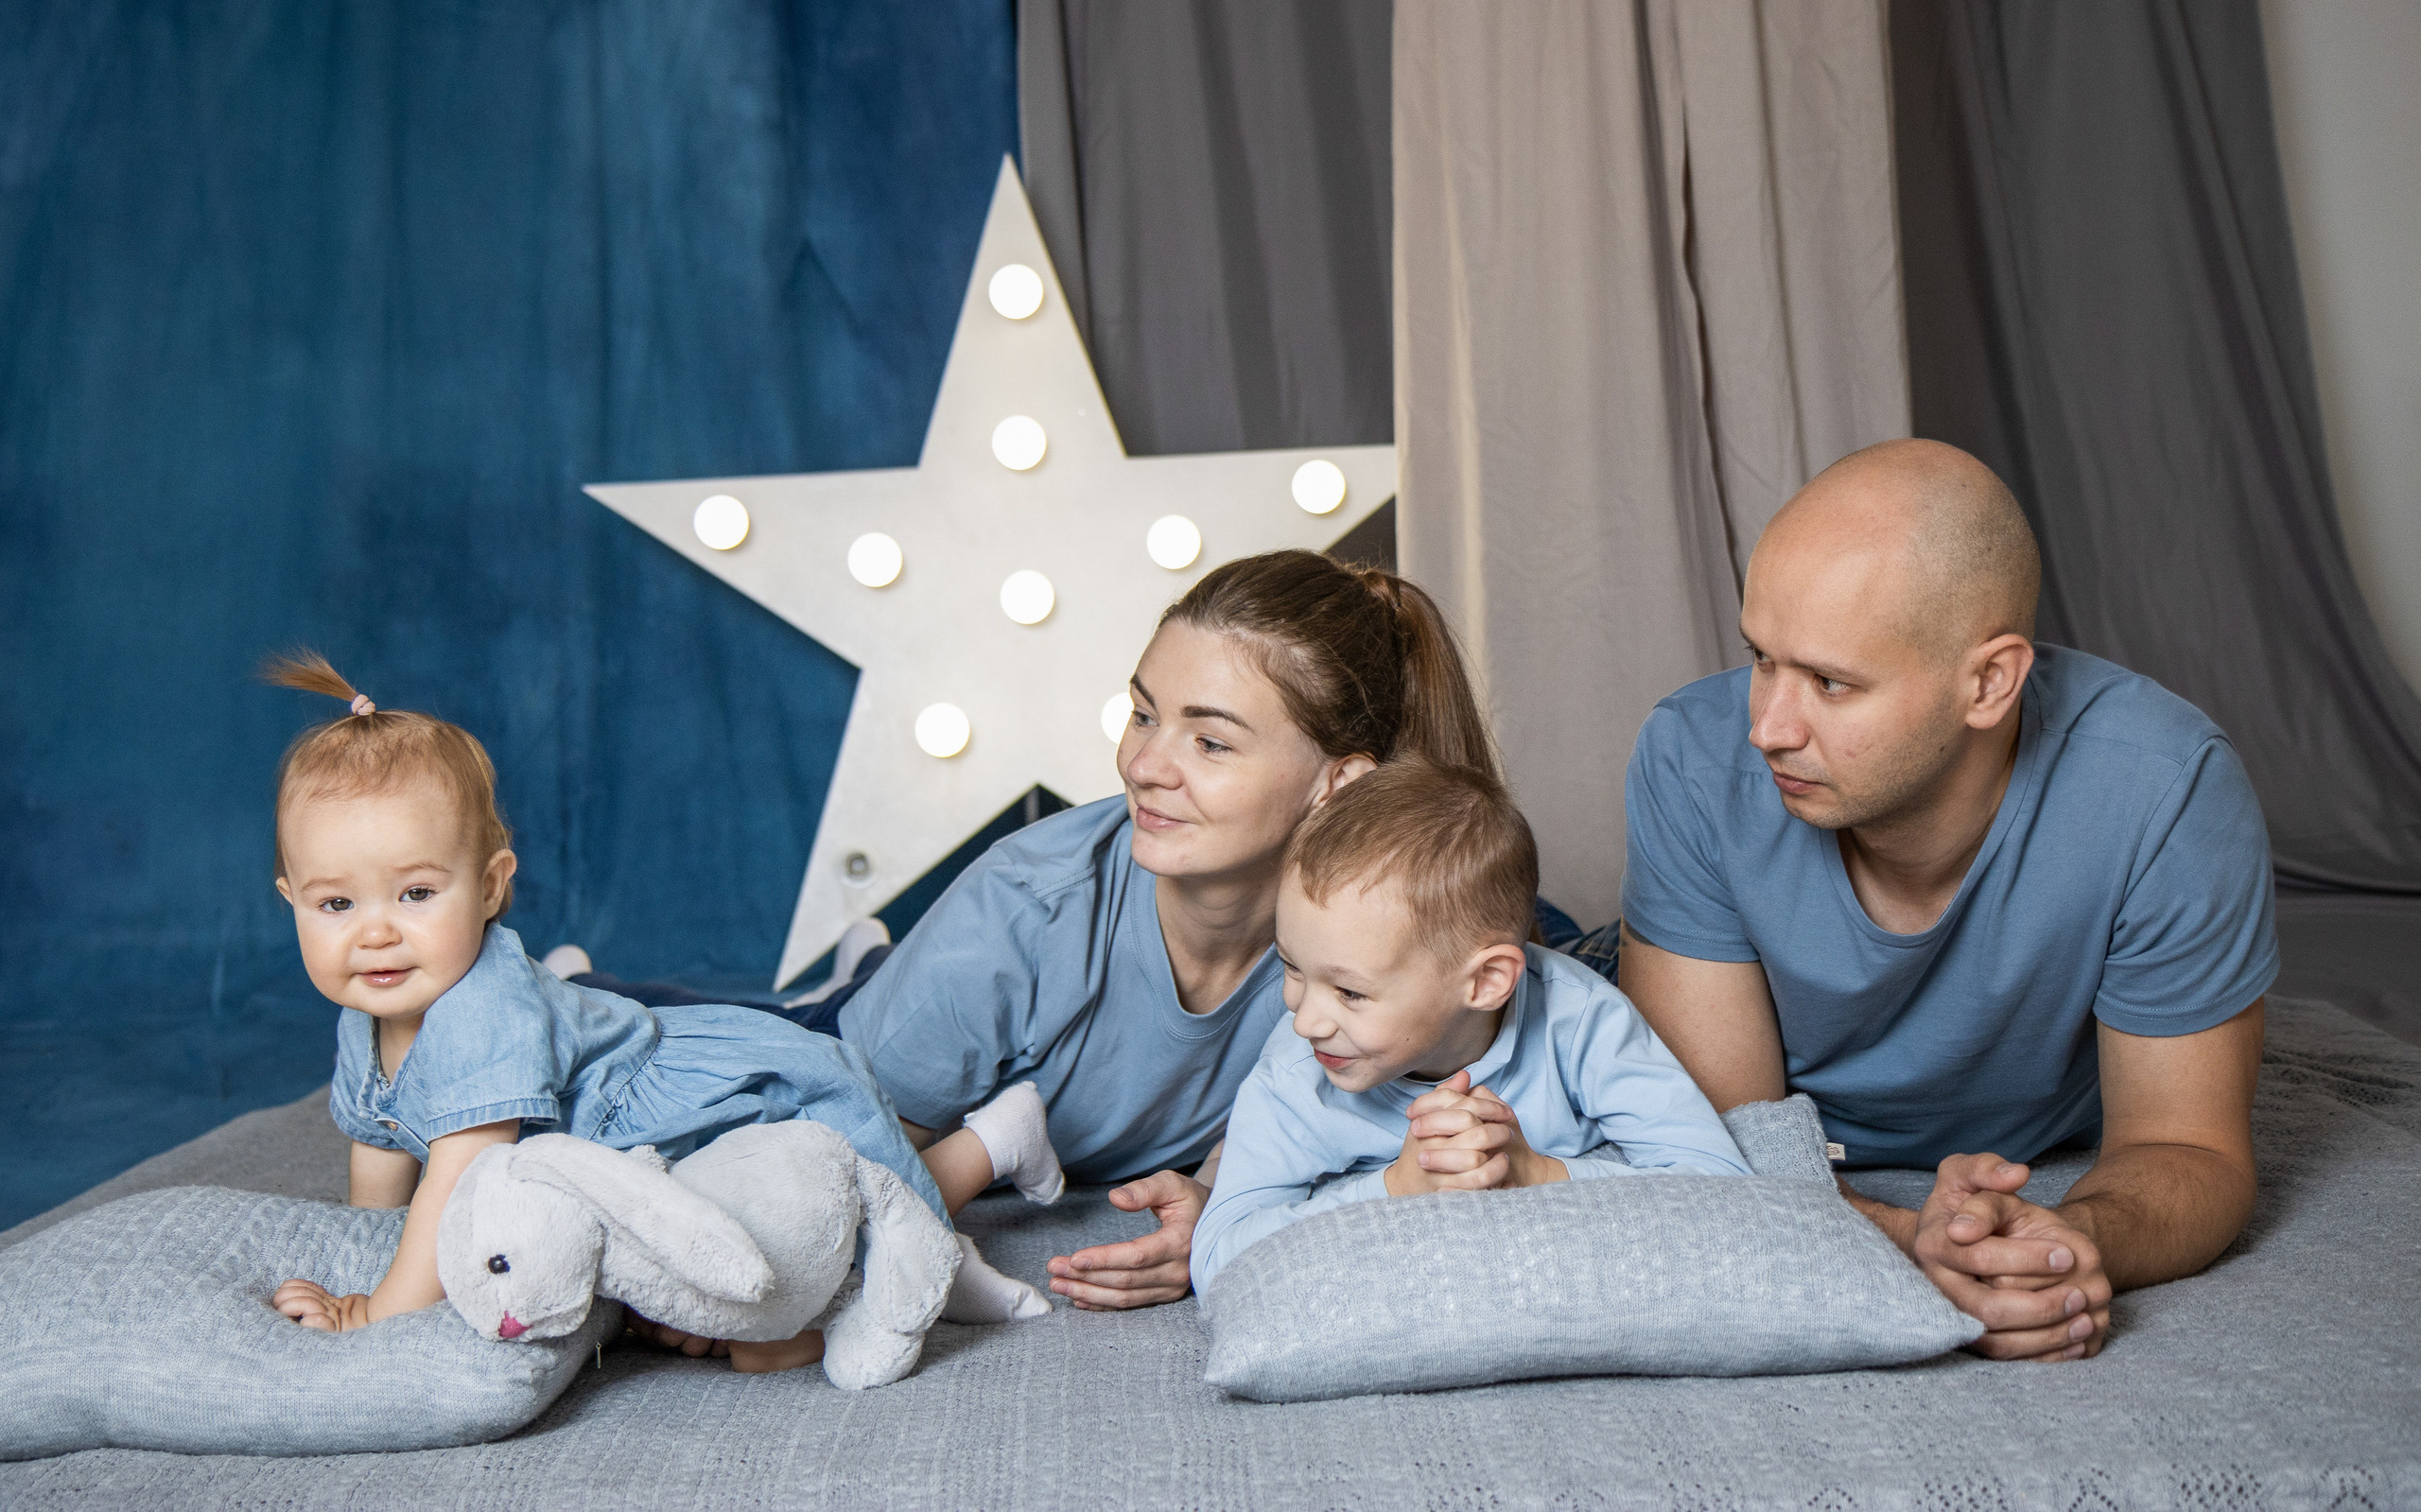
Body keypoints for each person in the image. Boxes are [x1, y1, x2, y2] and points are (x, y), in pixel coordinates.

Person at [583, 549, 1503, 1309]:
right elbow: (842, 1157)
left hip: (975, 1018)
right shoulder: (1027, 910)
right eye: (1143, 713)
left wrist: (1213, 1202)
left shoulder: (1392, 943)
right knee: (613, 1045)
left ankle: (870, 960)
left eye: (1209, 741)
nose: (1144, 764)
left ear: (1338, 785)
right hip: (847, 1049)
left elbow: (1316, 1121)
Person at [1617, 440, 2274, 1363]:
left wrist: (2066, 1242)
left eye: (1830, 682)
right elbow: (1713, 1151)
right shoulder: (1692, 756)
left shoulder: (2165, 789)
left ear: (1989, 682)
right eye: (1760, 658)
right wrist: (1918, 1243)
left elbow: (2190, 1148)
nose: (1766, 727)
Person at [257, 653, 1042, 1371]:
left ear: (491, 886)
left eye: (417, 892)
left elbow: (455, 1176)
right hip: (619, 1146)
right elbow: (382, 1144)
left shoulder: (479, 1012)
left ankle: (978, 1171)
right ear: (292, 900)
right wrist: (367, 1244)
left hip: (696, 1117)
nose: (376, 933)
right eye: (336, 903)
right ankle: (973, 1161)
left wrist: (376, 1310)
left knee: (823, 1209)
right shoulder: (370, 1008)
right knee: (730, 1274)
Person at [1190, 760, 1748, 1291]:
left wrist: (1539, 1176)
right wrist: (1394, 1188)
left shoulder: (1581, 1020)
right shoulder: (1297, 1070)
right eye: (1291, 967)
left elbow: (1722, 1189)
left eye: (1350, 992)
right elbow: (1217, 1261)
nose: (1305, 1020)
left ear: (1485, 983)